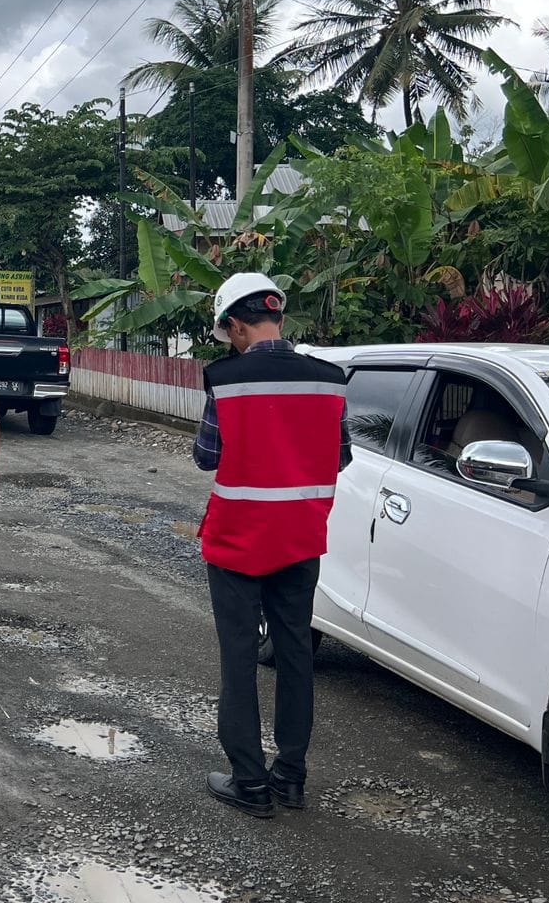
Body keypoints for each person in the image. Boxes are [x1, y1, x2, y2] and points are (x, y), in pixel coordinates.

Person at [192, 272, 351, 818]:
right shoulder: (329, 380)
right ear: (277, 317)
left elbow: (206, 456)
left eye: (228, 332)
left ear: (236, 325)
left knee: (239, 656)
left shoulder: (227, 379)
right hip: (302, 537)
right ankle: (291, 778)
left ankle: (249, 782)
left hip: (238, 539)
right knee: (295, 654)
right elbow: (342, 456)